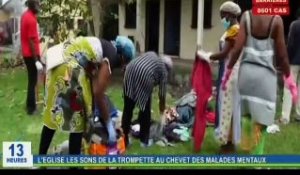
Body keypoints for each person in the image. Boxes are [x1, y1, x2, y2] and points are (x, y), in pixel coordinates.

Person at [38, 36, 135, 156]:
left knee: (53, 114)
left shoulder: (102, 47)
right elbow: (98, 93)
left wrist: (94, 111)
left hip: (56, 63)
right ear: (123, 57)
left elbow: (93, 86)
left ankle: (40, 159)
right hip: (70, 68)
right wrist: (109, 125)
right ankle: (75, 164)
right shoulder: (113, 57)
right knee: (78, 121)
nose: (122, 67)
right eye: (125, 63)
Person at [222, 10, 298, 154]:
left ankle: (246, 154)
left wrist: (227, 73)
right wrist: (291, 83)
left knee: (247, 117)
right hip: (265, 78)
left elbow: (237, 48)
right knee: (261, 122)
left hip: (246, 75)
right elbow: (282, 56)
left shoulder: (246, 17)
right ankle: (256, 160)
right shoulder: (276, 20)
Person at [197, 1, 241, 154]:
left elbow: (223, 54)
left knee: (227, 109)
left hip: (232, 73)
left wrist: (206, 56)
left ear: (230, 15)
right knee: (228, 108)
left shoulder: (235, 30)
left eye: (223, 16)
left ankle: (228, 144)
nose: (222, 19)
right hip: (230, 71)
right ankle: (229, 142)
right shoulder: (233, 29)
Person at [121, 52, 173, 148]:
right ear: (168, 68)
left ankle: (124, 140)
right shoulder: (163, 71)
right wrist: (162, 111)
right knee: (145, 109)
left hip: (129, 70)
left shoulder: (152, 55)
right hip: (144, 75)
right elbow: (162, 94)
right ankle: (144, 141)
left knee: (128, 108)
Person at [20, 0, 43, 115]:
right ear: (32, 4)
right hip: (31, 55)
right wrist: (36, 60)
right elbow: (31, 41)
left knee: (31, 81)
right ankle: (31, 108)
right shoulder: (31, 19)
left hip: (26, 53)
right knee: (33, 82)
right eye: (37, 4)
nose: (39, 5)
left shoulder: (25, 15)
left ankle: (30, 105)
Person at [280, 8, 300, 124]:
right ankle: (299, 114)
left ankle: (285, 117)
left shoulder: (294, 25)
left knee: (288, 88)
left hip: (293, 61)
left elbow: (291, 44)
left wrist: (286, 59)